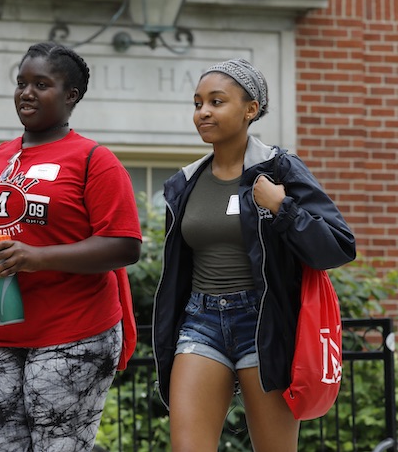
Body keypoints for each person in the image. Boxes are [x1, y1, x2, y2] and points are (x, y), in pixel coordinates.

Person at [0, 41, 142, 452]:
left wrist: (36, 257)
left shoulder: (93, 160)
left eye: (41, 84)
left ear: (71, 95)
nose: (26, 92)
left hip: (74, 332)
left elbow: (124, 245)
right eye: (21, 82)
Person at [152, 58, 356, 452]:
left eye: (216, 101)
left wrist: (284, 208)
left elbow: (338, 246)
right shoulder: (184, 183)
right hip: (200, 320)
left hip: (262, 323)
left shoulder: (279, 169)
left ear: (250, 109)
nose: (203, 112)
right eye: (198, 103)